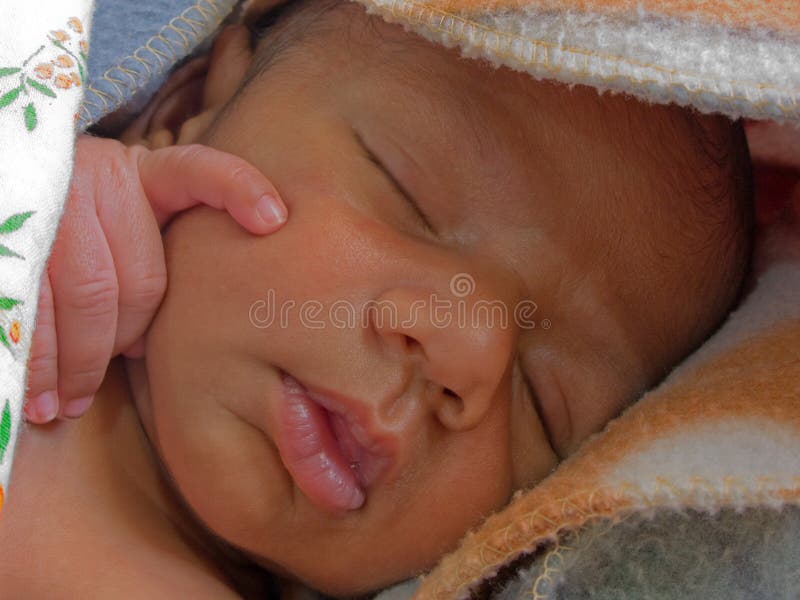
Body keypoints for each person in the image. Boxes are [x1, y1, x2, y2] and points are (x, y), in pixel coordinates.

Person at [1, 1, 753, 597]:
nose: (468, 352)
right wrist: (35, 176)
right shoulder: (38, 212)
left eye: (543, 407)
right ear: (186, 107)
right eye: (407, 194)